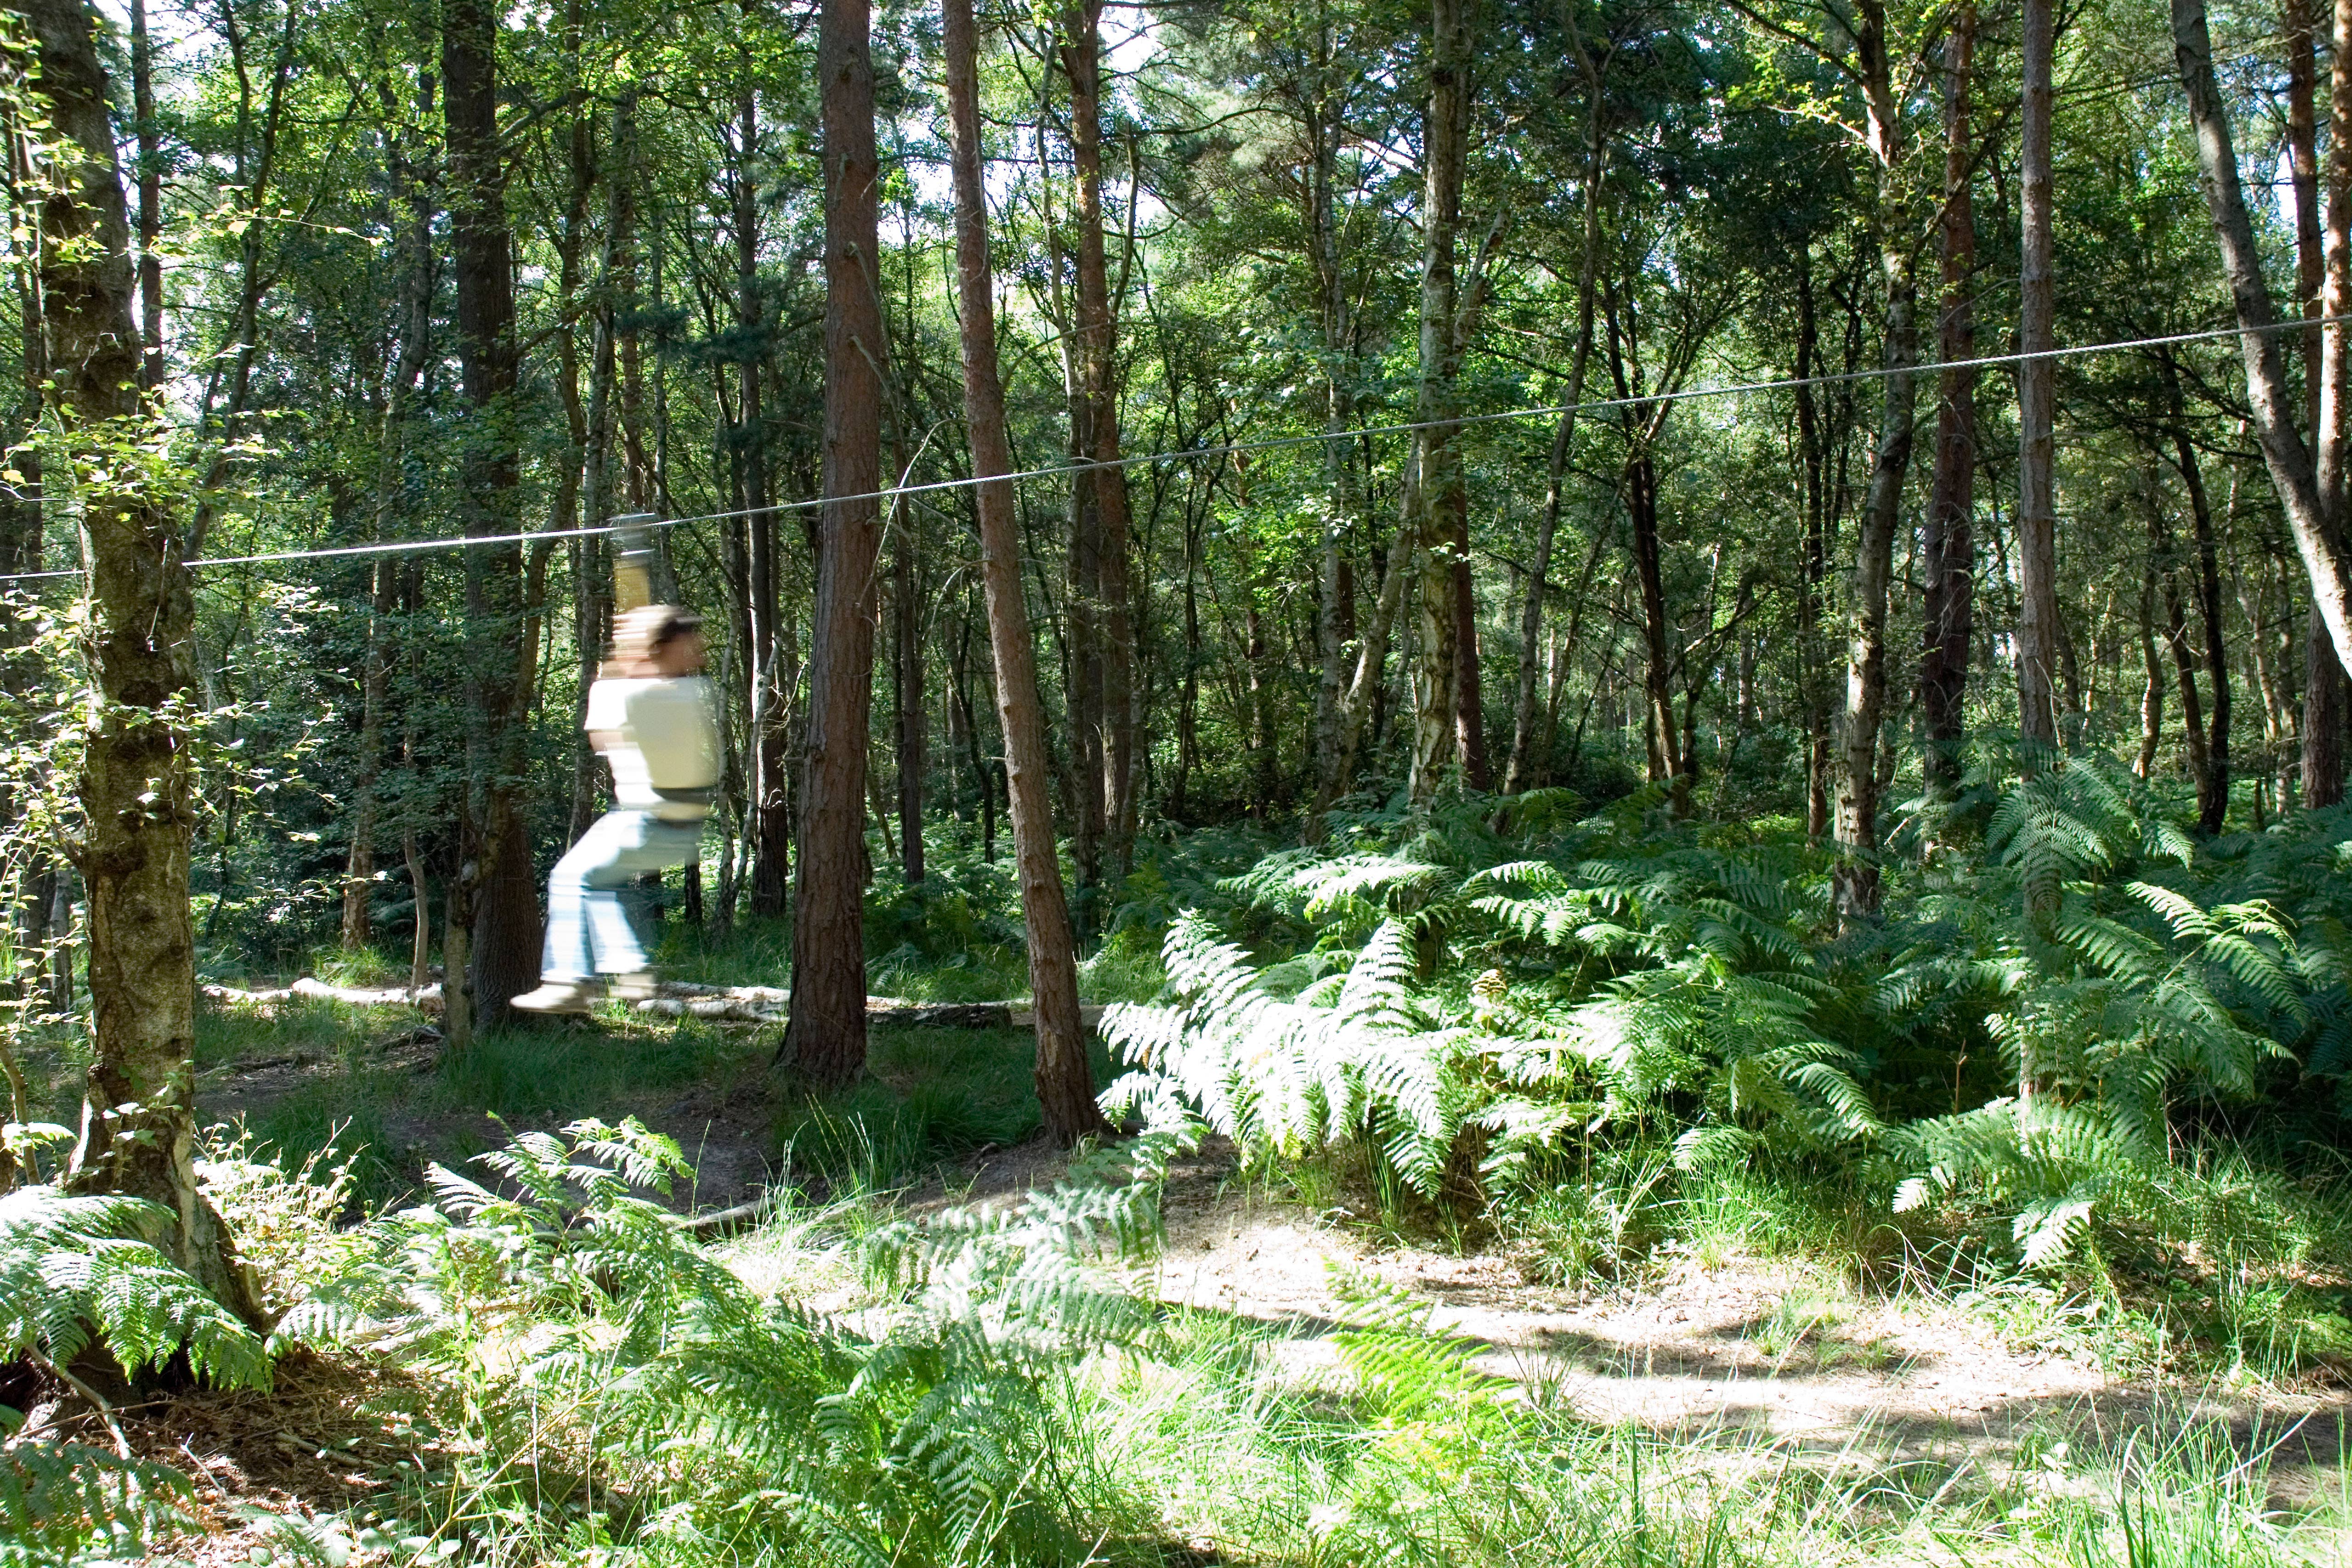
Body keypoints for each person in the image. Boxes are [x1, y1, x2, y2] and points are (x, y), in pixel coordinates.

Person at [513, 605, 719, 1014]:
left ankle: (572, 980)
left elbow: (600, 740)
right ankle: (629, 966)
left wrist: (616, 666)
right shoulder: (696, 692)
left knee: (572, 877)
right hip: (682, 826)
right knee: (598, 883)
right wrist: (636, 654)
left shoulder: (624, 694)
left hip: (648, 819)